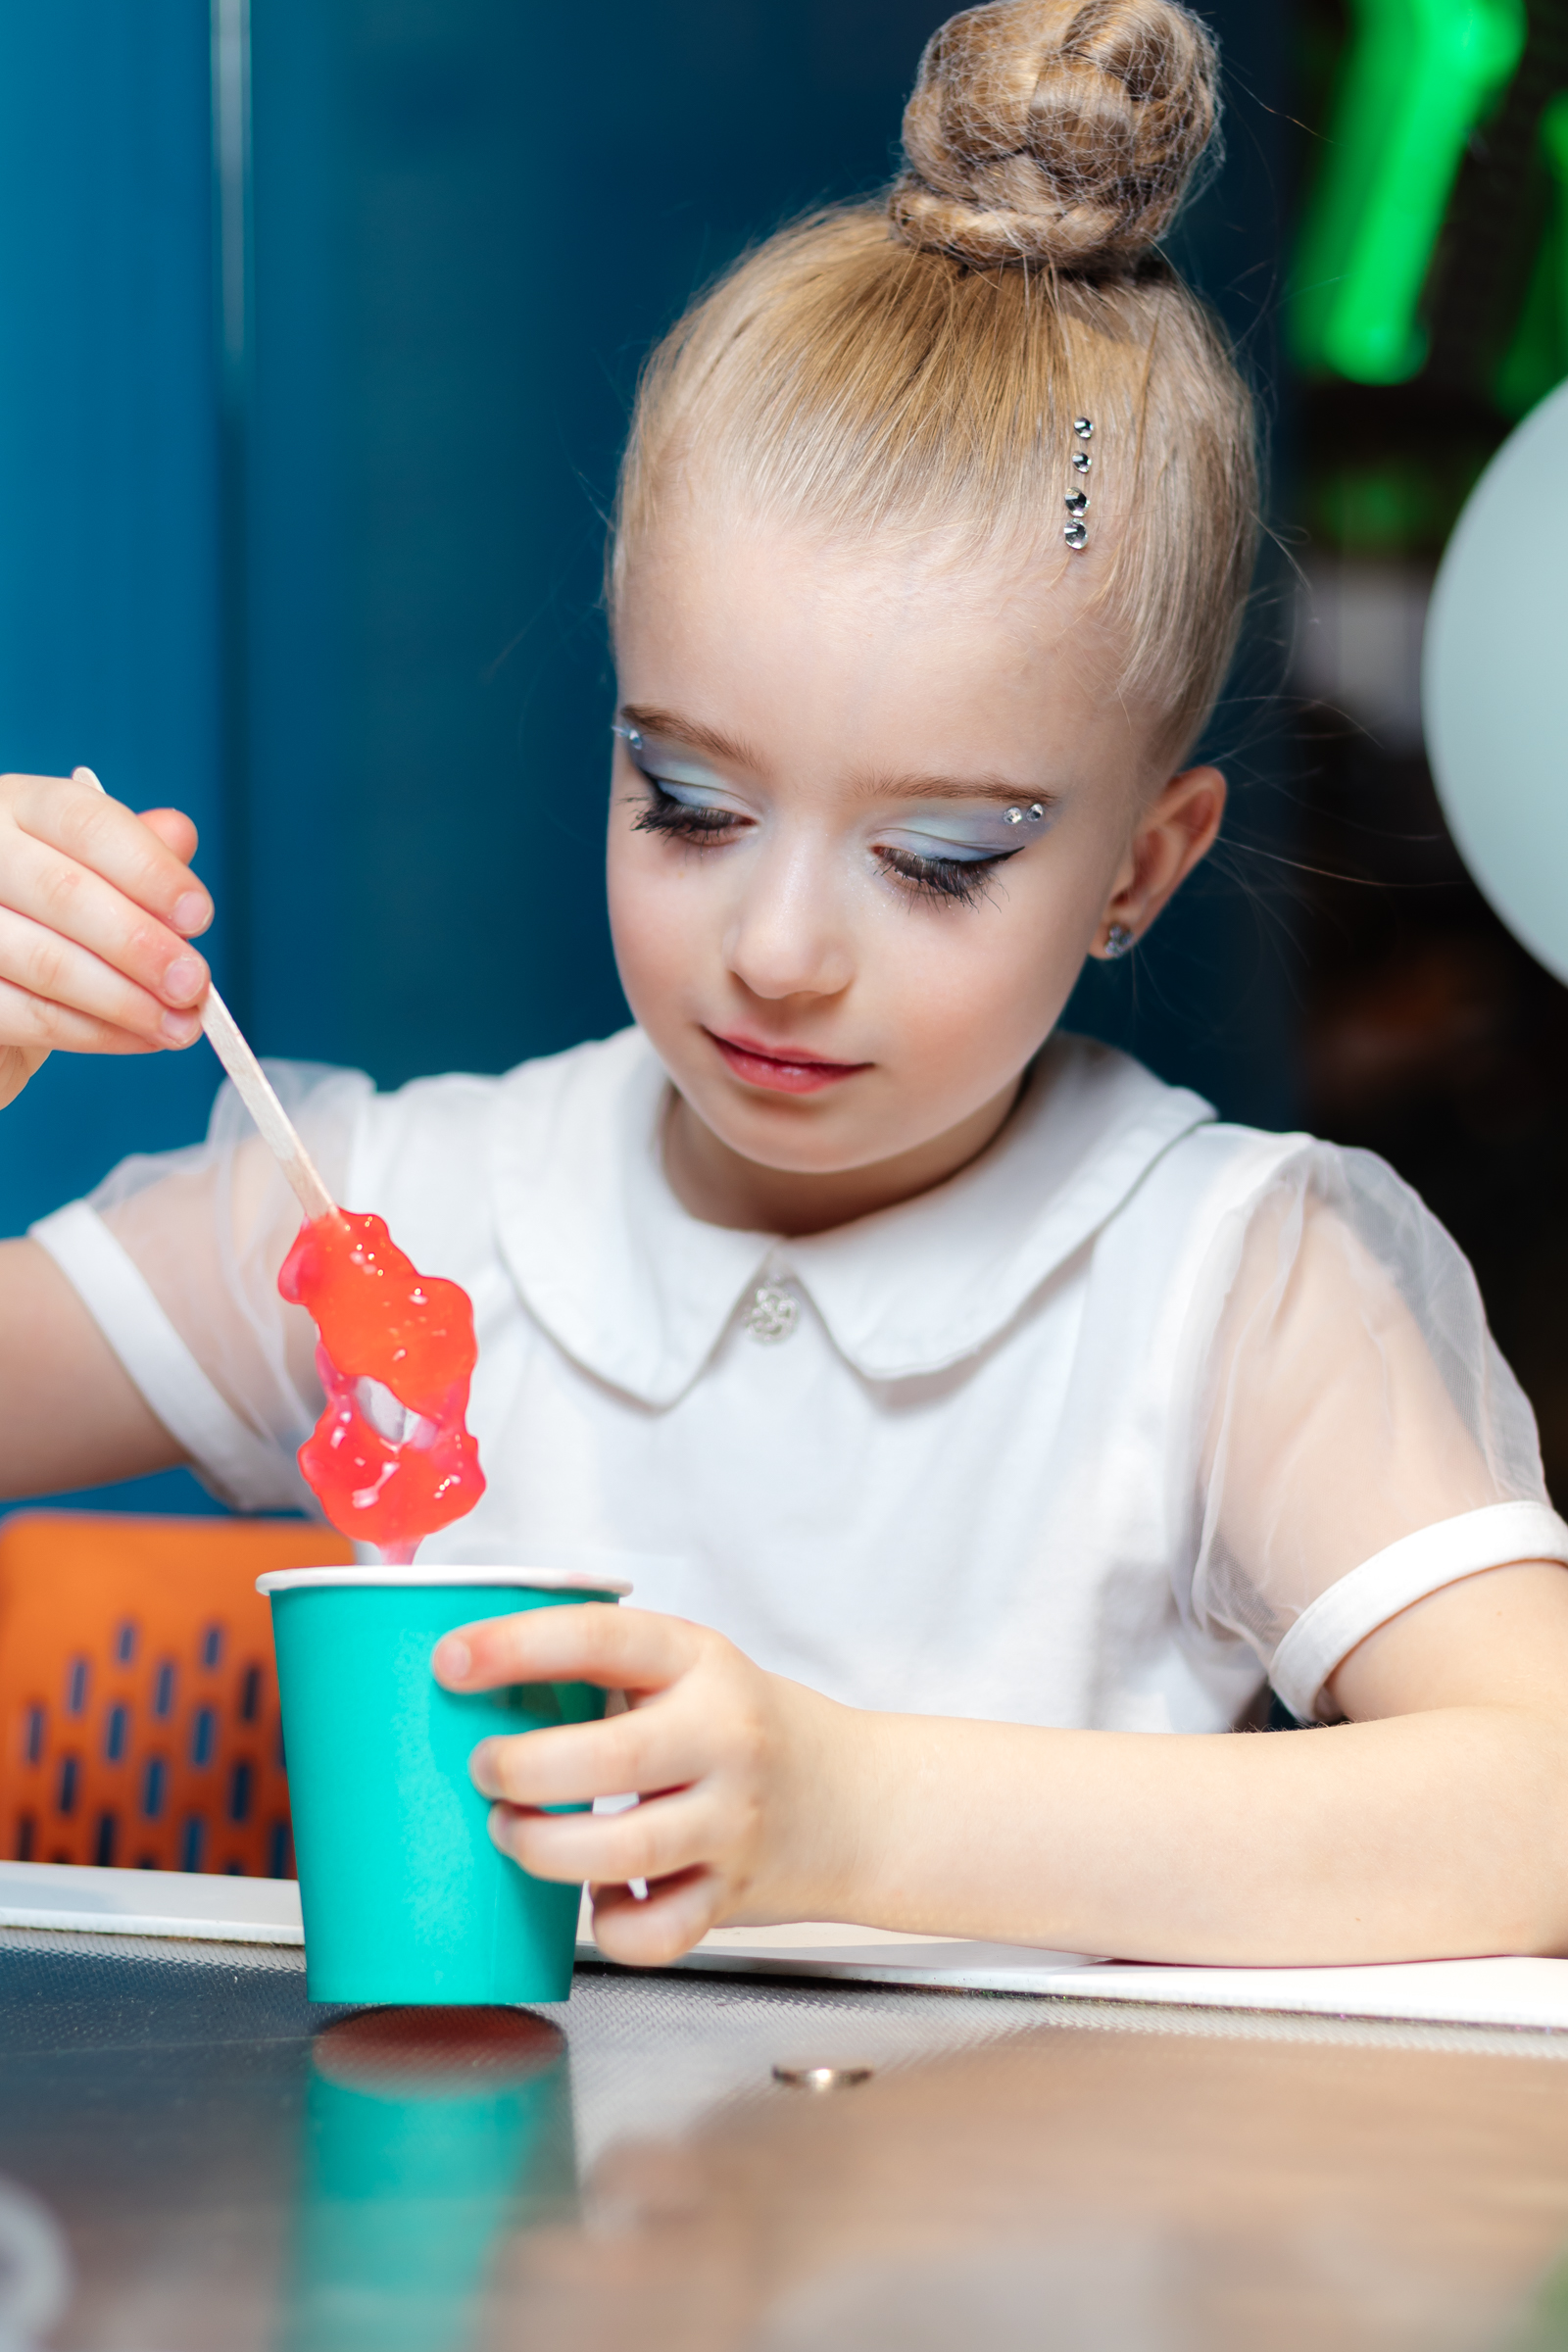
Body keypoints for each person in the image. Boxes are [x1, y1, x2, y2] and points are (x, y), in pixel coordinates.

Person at [4, 0, 1568, 1973]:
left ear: (1138, 870)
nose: (777, 951)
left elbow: (1542, 1799)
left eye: (936, 860)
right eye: (688, 804)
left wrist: (857, 1811)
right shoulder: (388, 1219)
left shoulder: (1221, 1287)